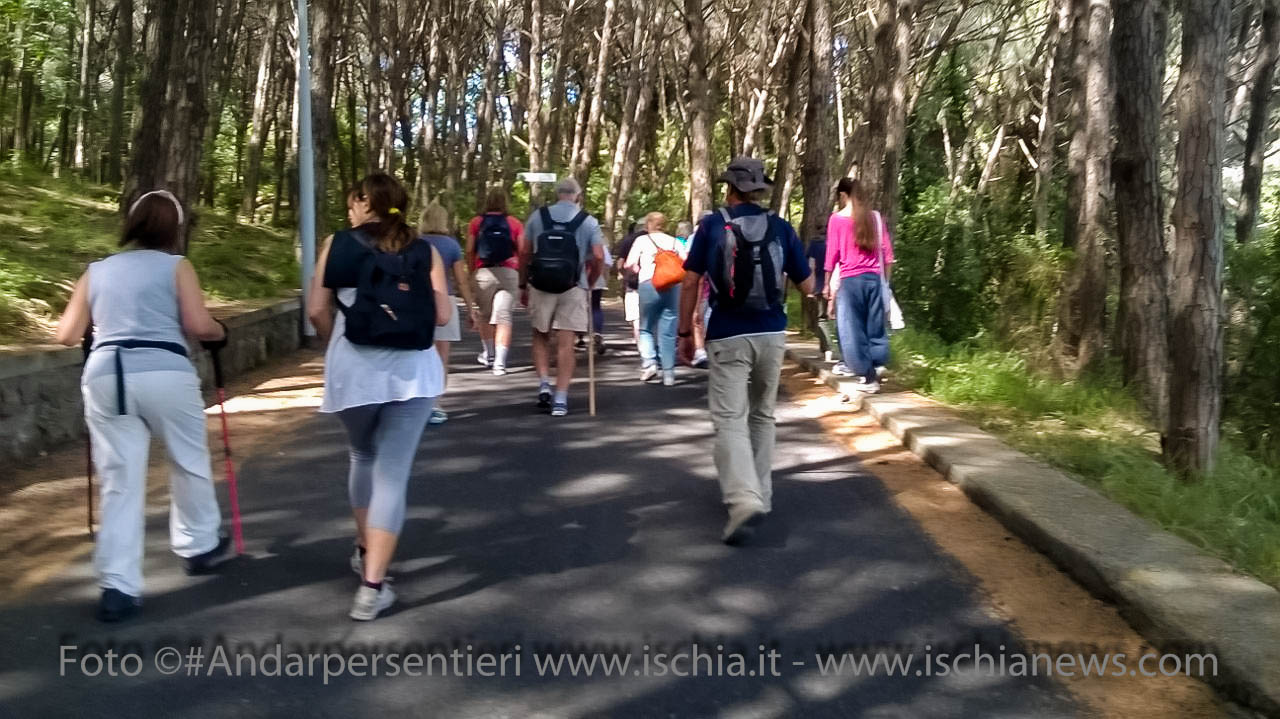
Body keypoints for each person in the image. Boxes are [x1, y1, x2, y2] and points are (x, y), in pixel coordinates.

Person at [55, 189, 231, 623]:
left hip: (106, 376)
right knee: (188, 459)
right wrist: (218, 331)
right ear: (175, 228)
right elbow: (196, 324)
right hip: (165, 372)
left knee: (119, 480)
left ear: (132, 224)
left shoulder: (96, 271)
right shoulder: (177, 267)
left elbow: (65, 333)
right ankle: (198, 545)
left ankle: (118, 586)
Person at [308, 174, 451, 621]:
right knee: (392, 474)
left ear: (365, 201)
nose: (350, 208)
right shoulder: (424, 249)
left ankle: (364, 547)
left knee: (361, 454)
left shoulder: (337, 243)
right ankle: (372, 588)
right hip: (412, 373)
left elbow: (316, 309)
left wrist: (337, 343)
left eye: (353, 200)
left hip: (353, 373)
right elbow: (444, 314)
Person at [677, 157, 814, 545]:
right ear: (759, 189)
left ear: (729, 188)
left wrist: (686, 332)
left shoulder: (712, 225)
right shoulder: (781, 227)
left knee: (730, 419)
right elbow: (807, 286)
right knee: (762, 415)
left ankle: (742, 500)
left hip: (726, 334)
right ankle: (762, 496)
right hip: (771, 333)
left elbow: (690, 282)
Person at [520, 177, 605, 417]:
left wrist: (523, 282)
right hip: (572, 286)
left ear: (558, 194)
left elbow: (525, 251)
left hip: (540, 285)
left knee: (540, 335)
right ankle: (561, 399)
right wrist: (590, 280)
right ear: (577, 196)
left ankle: (544, 384)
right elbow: (598, 256)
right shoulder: (588, 221)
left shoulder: (538, 216)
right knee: (566, 343)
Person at [824, 177, 893, 393]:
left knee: (852, 330)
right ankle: (877, 364)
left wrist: (827, 285)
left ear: (843, 196)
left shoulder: (837, 219)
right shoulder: (874, 218)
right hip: (873, 279)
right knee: (875, 327)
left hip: (851, 281)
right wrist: (885, 283)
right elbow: (888, 255)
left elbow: (831, 255)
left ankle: (868, 377)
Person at [420, 201, 479, 424]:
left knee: (418, 354)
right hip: (445, 301)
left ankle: (418, 401)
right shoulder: (451, 245)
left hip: (418, 303)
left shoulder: (415, 243)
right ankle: (435, 404)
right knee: (441, 358)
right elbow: (461, 281)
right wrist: (471, 308)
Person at [467, 189, 525, 376]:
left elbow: (469, 249)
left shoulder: (476, 222)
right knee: (504, 317)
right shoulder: (514, 223)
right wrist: (523, 275)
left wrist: (472, 272)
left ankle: (489, 354)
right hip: (509, 272)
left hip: (484, 272)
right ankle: (500, 363)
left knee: (485, 315)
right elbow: (523, 250)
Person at [625, 212, 687, 386]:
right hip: (672, 286)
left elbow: (629, 263)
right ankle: (668, 373)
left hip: (648, 284)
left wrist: (637, 269)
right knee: (668, 330)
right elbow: (687, 262)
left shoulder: (642, 241)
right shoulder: (674, 241)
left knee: (646, 328)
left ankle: (650, 362)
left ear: (649, 224)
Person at [615, 221, 644, 350]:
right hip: (655, 283)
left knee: (636, 317)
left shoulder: (628, 241)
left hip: (633, 283)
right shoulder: (662, 239)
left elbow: (620, 264)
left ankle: (640, 344)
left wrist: (624, 275)